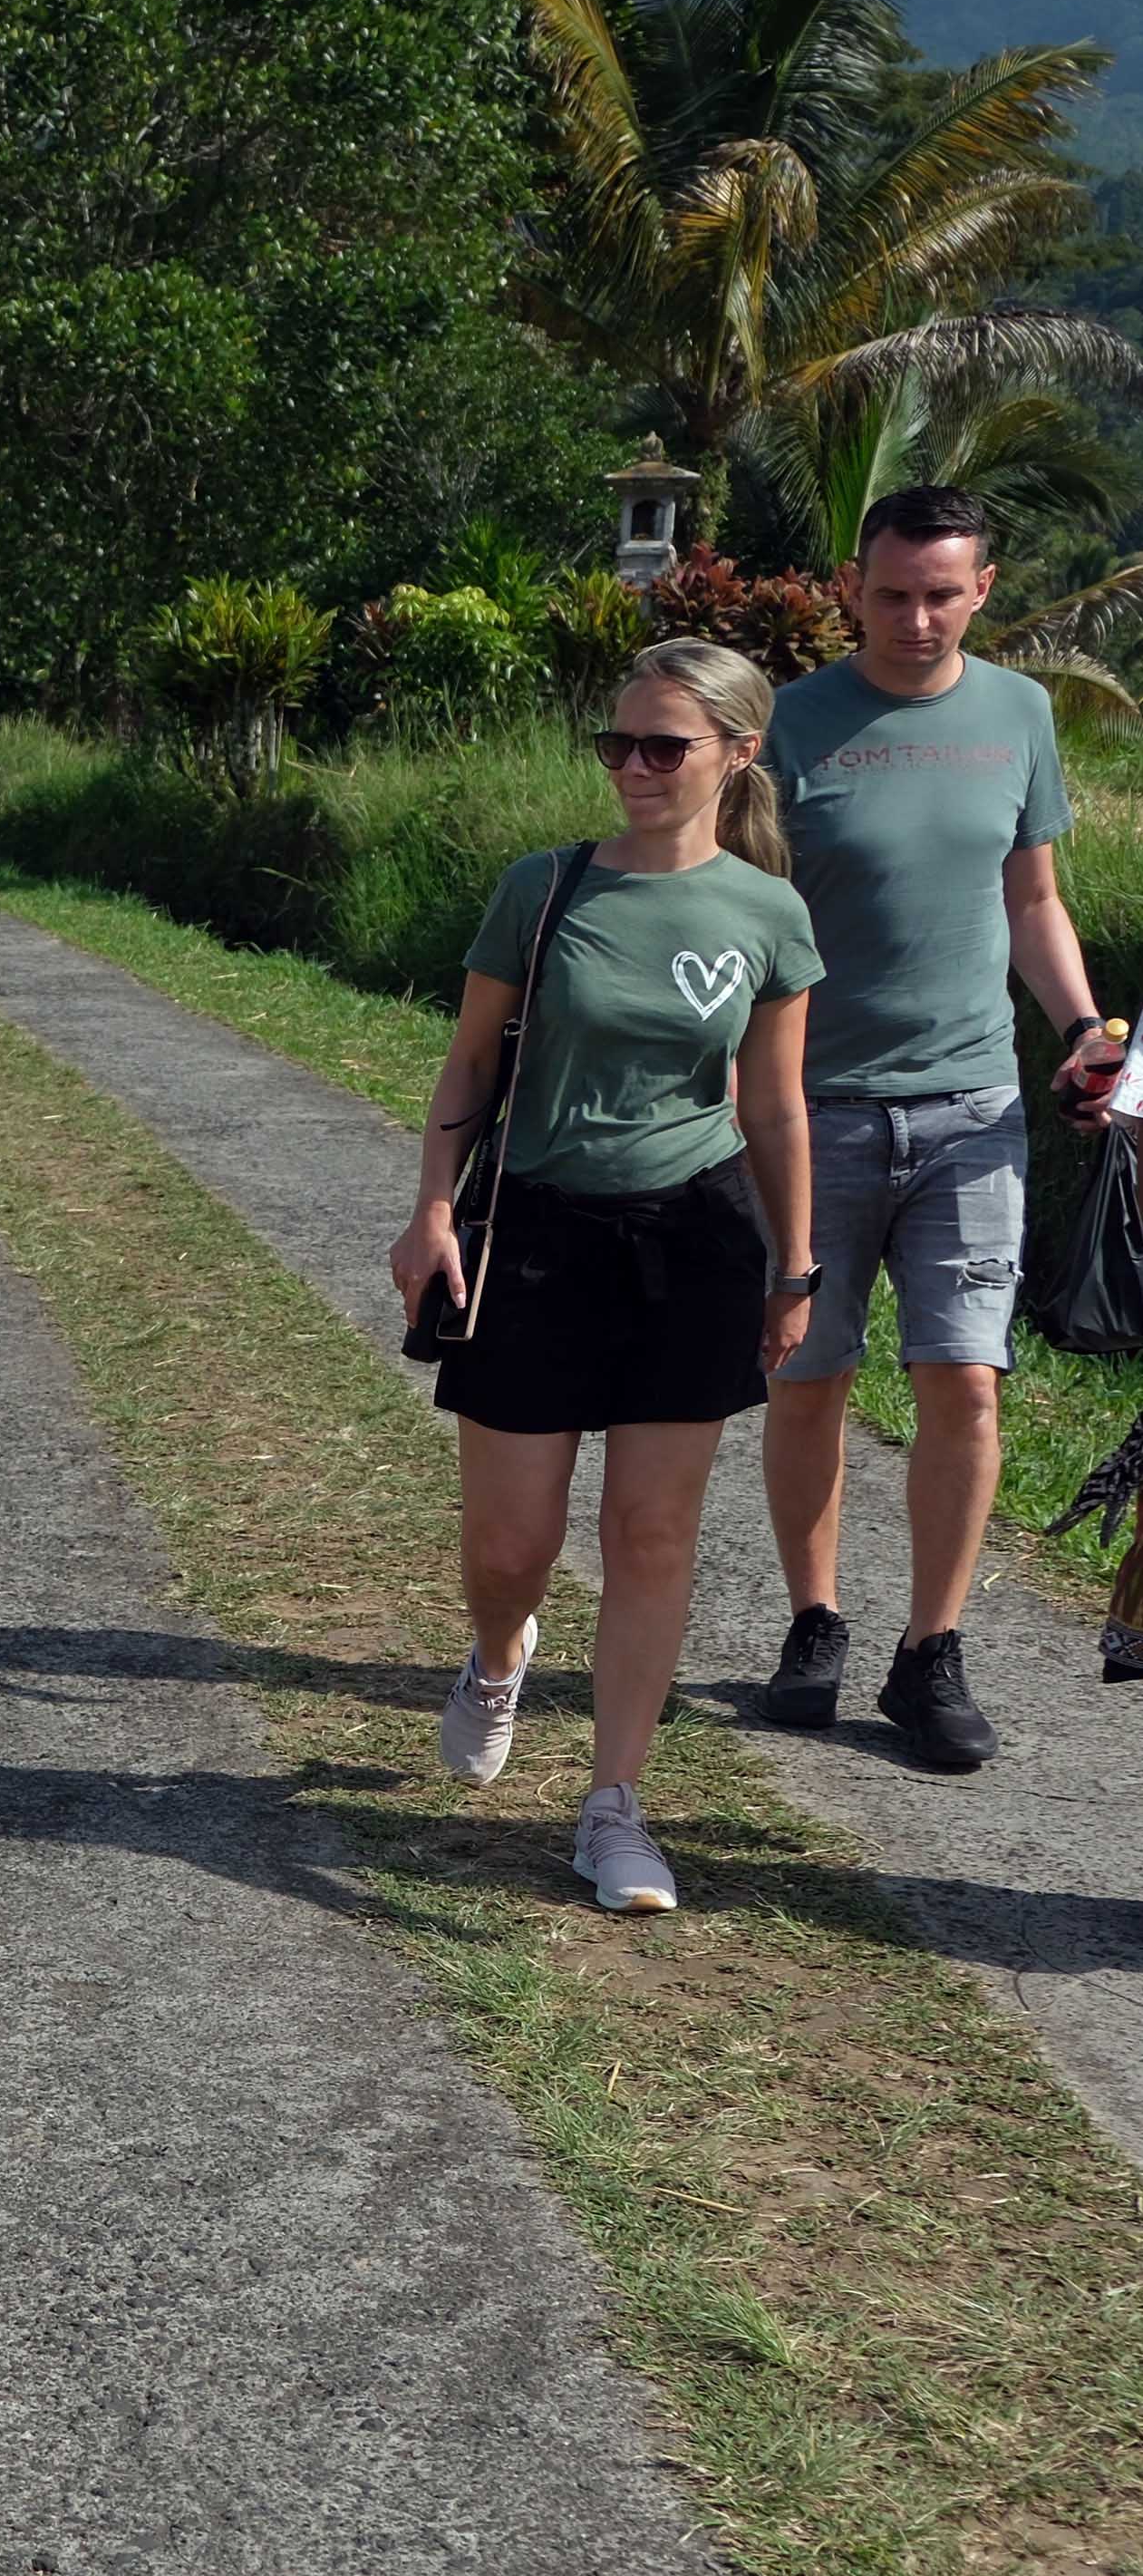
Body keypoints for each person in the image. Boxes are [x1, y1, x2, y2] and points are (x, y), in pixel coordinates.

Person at [389, 641, 822, 1914]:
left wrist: (796, 1263)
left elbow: (777, 1106)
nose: (632, 768)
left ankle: (614, 1806)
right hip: (535, 1230)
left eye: (663, 747)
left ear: (737, 755)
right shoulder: (545, 887)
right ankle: (496, 1650)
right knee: (512, 1543)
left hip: (694, 1239)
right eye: (616, 745)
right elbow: (470, 1065)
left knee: (654, 1530)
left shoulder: (768, 913)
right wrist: (429, 1211)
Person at [753, 482, 1123, 1765]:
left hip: (974, 1110)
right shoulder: (788, 723)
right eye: (894, 592)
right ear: (853, 584)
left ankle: (931, 1651)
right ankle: (815, 1621)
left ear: (984, 589)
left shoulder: (1019, 714)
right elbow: (748, 913)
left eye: (943, 593)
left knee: (966, 1379)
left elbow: (1033, 899)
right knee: (808, 1378)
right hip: (811, 1115)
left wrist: (1082, 1026)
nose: (917, 617)